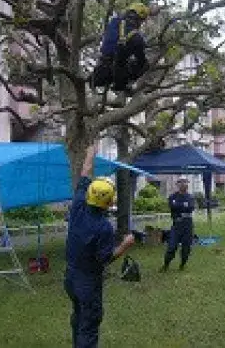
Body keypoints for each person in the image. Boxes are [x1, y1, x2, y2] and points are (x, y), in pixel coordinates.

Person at [64, 146, 136, 348]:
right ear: (110, 201)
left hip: (70, 277)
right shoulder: (103, 228)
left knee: (78, 316)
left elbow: (84, 173)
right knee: (89, 324)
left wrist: (89, 153)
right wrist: (124, 245)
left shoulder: (78, 205)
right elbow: (105, 259)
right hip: (87, 282)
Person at [90, 2, 159, 94]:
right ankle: (121, 87)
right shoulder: (136, 37)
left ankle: (114, 83)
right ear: (139, 20)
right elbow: (141, 60)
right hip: (115, 74)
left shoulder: (115, 21)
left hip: (100, 70)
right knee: (144, 64)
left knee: (120, 59)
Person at [160, 176, 195, 271]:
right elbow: (172, 207)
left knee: (186, 248)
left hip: (188, 225)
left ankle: (182, 265)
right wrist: (183, 205)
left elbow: (191, 208)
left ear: (188, 184)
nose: (183, 184)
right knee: (171, 246)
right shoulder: (172, 197)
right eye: (181, 182)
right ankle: (165, 265)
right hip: (177, 225)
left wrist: (179, 206)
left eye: (185, 182)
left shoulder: (190, 197)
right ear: (177, 184)